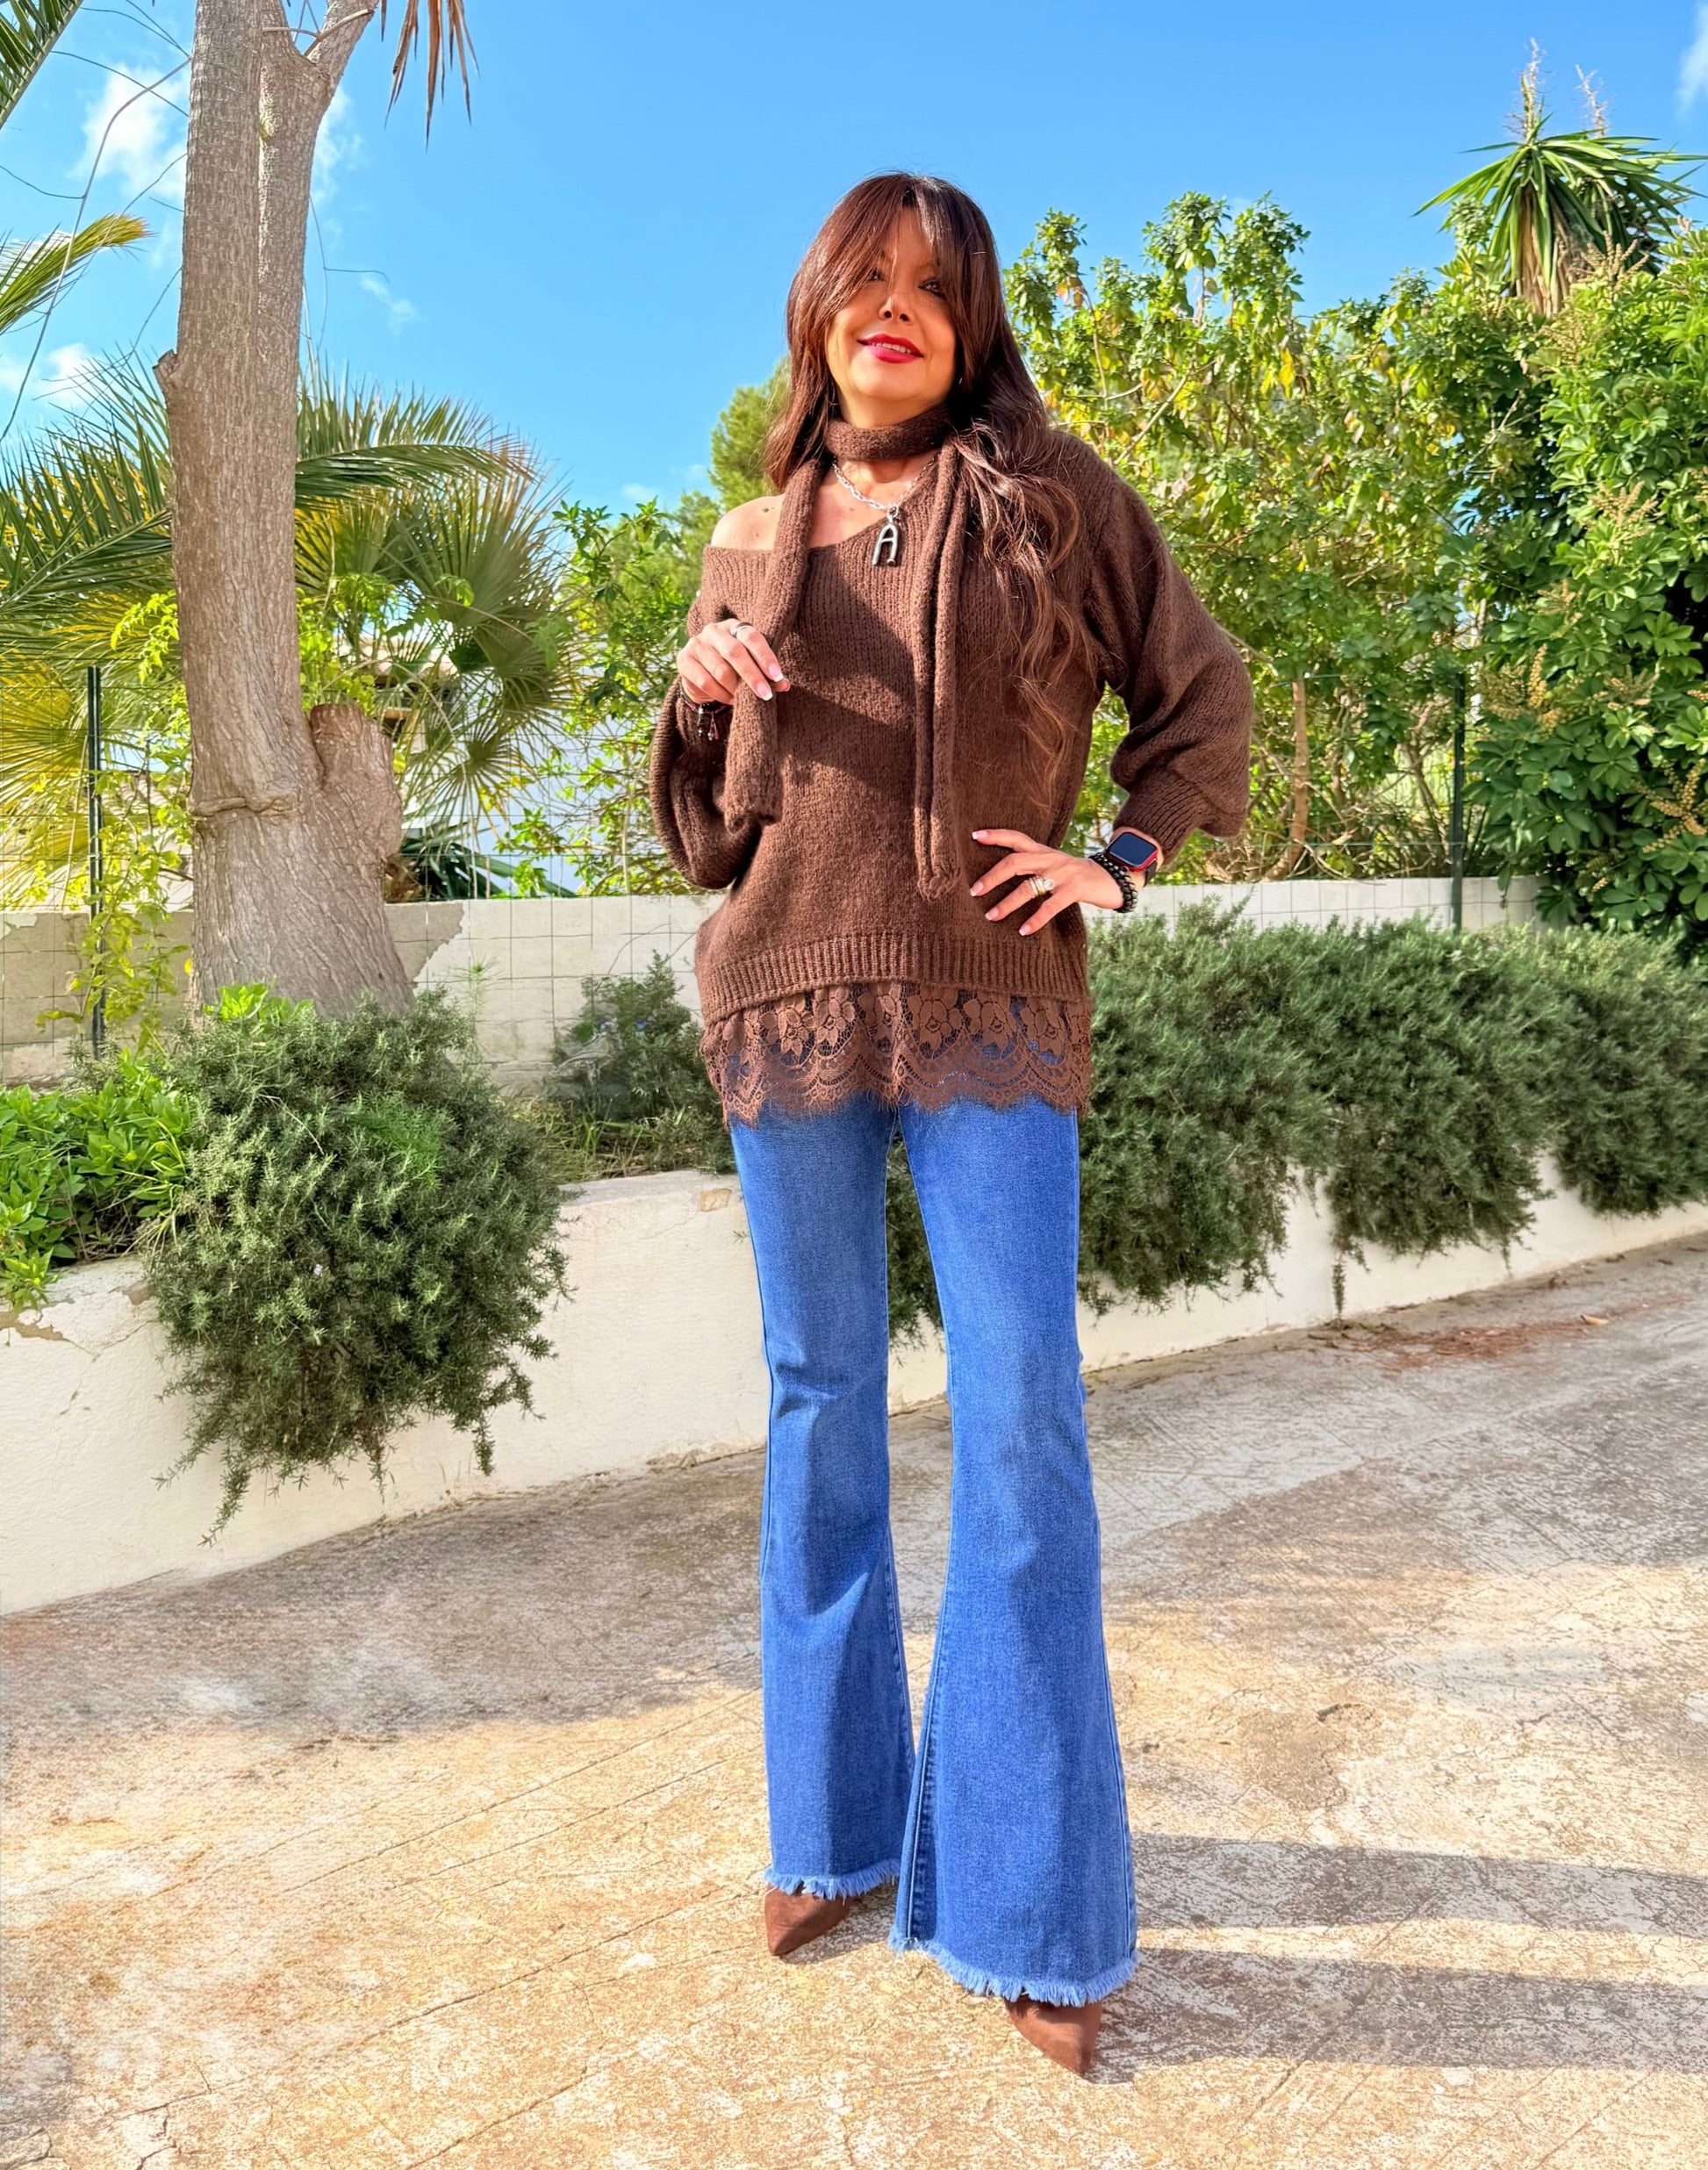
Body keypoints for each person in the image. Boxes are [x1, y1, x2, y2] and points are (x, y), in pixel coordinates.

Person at [649, 171, 1252, 2075]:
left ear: (972, 319)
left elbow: (1199, 696)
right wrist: (694, 689)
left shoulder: (1055, 502)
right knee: (818, 1406)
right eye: (862, 282)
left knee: (1019, 1426)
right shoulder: (753, 533)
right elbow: (703, 828)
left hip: (993, 1008)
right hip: (786, 996)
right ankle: (829, 1833)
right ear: (817, 312)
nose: (890, 309)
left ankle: (1030, 1904)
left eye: (929, 285)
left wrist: (1115, 861)